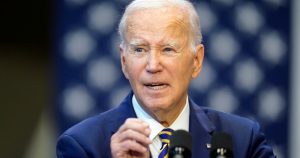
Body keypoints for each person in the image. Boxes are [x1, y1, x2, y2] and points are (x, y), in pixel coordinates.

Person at [56, 0, 276, 157]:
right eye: (140, 50)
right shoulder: (83, 146)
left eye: (168, 49)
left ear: (196, 61)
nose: (153, 65)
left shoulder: (243, 141)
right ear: (124, 61)